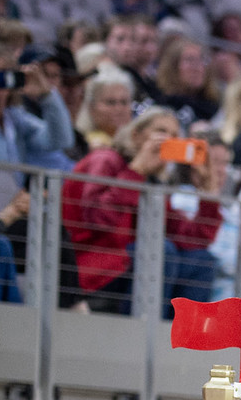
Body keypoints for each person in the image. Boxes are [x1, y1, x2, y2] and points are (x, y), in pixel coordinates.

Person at [60, 108, 223, 313]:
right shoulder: (105, 159)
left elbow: (191, 239)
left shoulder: (152, 181)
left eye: (174, 135)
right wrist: (136, 171)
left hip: (127, 265)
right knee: (160, 249)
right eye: (161, 131)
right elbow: (97, 219)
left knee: (202, 260)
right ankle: (145, 328)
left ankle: (180, 333)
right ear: (136, 135)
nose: (168, 139)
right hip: (90, 265)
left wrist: (209, 193)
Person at [153, 36, 218, 125]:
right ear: (173, 67)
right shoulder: (160, 105)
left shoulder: (215, 108)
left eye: (202, 60)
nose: (197, 68)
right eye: (190, 60)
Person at [74, 70, 133, 154]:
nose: (119, 109)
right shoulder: (82, 144)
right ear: (91, 107)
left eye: (124, 102)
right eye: (110, 102)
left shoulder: (139, 141)